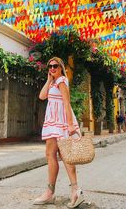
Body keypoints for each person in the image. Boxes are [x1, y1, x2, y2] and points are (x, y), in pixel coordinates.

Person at [34, 57, 84, 208]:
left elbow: (67, 103)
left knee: (64, 155)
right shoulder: (54, 81)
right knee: (52, 155)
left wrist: (70, 125)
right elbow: (42, 96)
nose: (52, 68)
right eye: (49, 66)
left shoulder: (62, 80)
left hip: (60, 121)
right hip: (52, 121)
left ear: (61, 67)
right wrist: (49, 79)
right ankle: (56, 192)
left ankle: (72, 191)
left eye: (55, 66)